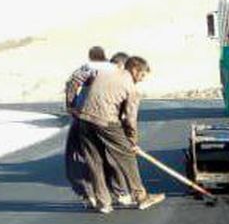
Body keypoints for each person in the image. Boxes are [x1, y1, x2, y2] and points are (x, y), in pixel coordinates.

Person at [76, 56, 164, 214]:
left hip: (84, 118)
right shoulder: (131, 87)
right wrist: (132, 141)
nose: (142, 80)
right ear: (135, 69)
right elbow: (130, 118)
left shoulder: (106, 72)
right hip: (106, 120)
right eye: (142, 75)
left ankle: (103, 203)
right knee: (128, 157)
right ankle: (141, 197)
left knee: (94, 159)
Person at [64, 46, 118, 208]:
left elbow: (72, 83)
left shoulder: (88, 68)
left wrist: (70, 105)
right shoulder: (115, 71)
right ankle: (115, 191)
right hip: (109, 118)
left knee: (78, 155)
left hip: (84, 115)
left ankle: (89, 194)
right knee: (108, 153)